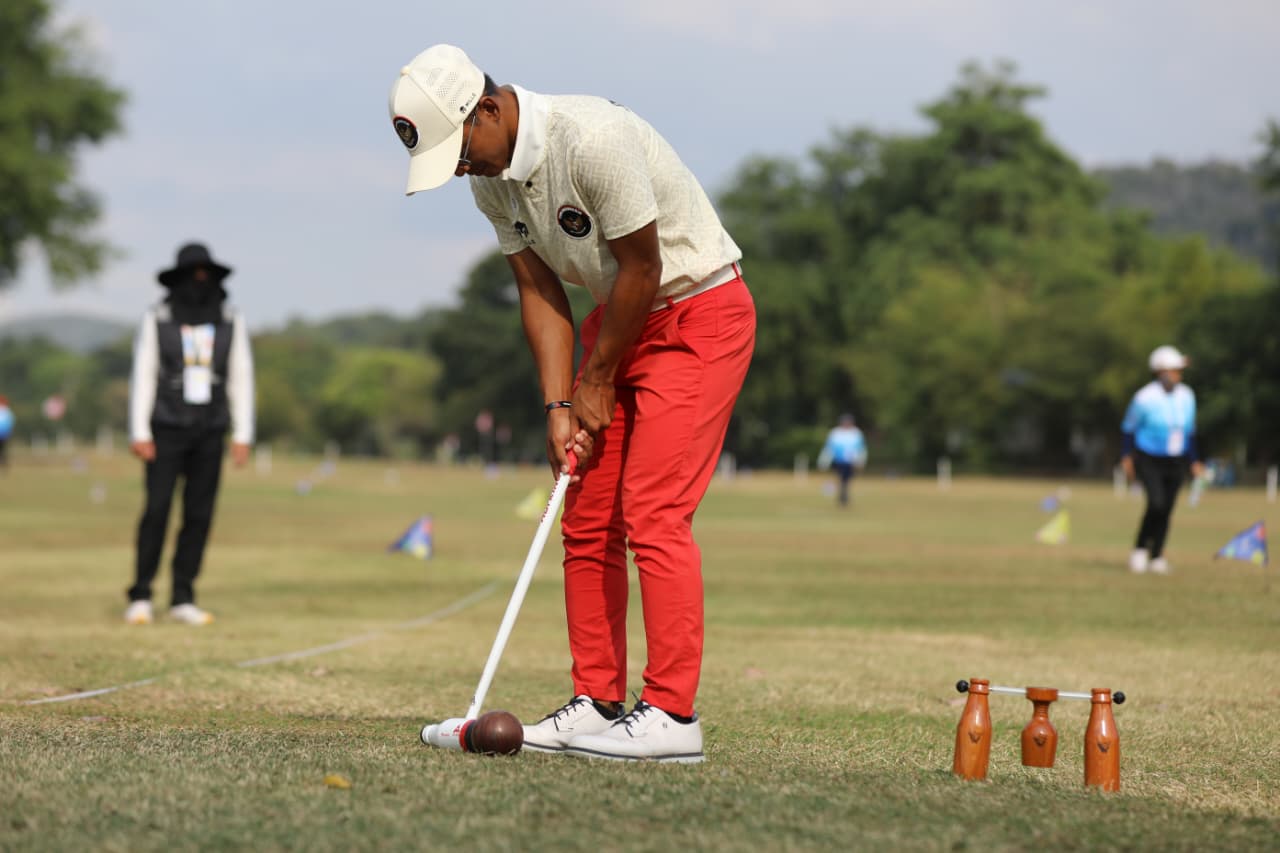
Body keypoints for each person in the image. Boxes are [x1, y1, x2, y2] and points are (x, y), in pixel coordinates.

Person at [388, 45, 756, 762]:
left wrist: (598, 380)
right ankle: (598, 702)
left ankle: (673, 715)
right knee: (584, 514)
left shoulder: (593, 139)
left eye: (459, 151)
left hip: (698, 311)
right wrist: (561, 402)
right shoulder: (489, 179)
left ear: (487, 110)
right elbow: (539, 291)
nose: (462, 169)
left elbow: (644, 268)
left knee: (653, 510)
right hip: (617, 321)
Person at [125, 242, 255, 625]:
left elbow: (241, 376)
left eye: (206, 275)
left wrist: (243, 433)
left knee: (199, 514)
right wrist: (139, 430)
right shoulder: (159, 317)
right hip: (165, 429)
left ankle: (183, 595)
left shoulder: (230, 318)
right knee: (157, 509)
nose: (200, 283)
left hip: (210, 429)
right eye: (193, 275)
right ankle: (141, 593)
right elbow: (144, 373)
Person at [1119, 345, 1204, 575]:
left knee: (1167, 508)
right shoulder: (1144, 398)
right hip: (1149, 458)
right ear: (1161, 371)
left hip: (1176, 459)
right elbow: (1128, 428)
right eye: (1175, 369)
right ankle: (1139, 550)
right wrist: (1126, 456)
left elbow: (1190, 431)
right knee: (1155, 503)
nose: (1179, 374)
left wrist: (1194, 460)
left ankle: (1156, 555)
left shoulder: (1187, 395)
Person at [818, 413, 868, 507]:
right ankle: (843, 495)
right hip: (839, 461)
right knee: (840, 478)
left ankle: (843, 494)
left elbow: (861, 449)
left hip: (851, 462)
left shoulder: (856, 433)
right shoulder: (835, 433)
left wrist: (861, 461)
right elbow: (829, 448)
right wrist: (824, 461)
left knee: (847, 479)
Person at [0, 395, 13, 471]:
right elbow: (10, 423)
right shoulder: (7, 411)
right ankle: (4, 466)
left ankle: (4, 466)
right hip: (5, 434)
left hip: (3, 434)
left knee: (3, 451)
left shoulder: (6, 411)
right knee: (3, 451)